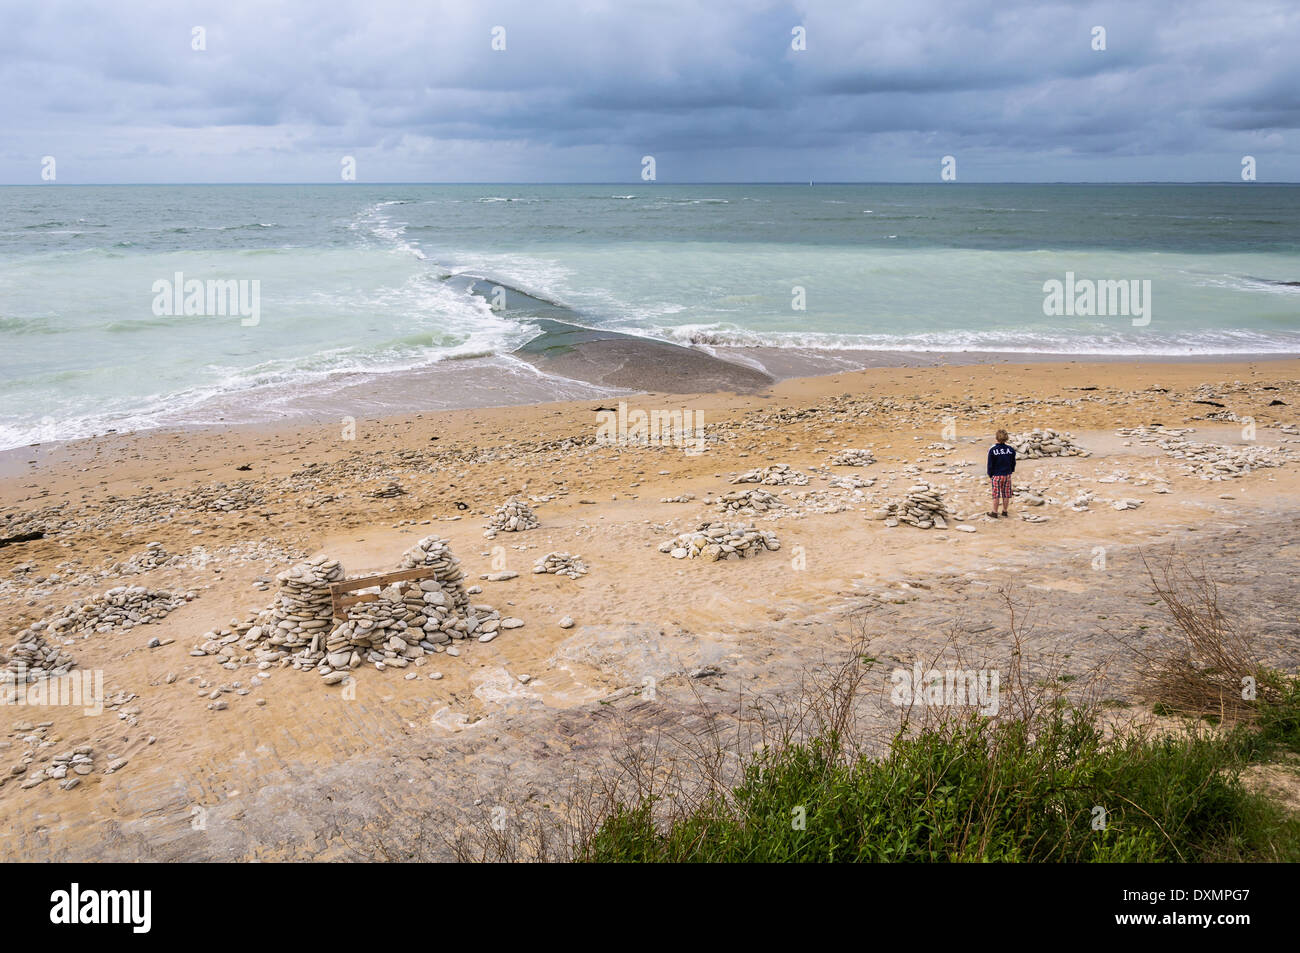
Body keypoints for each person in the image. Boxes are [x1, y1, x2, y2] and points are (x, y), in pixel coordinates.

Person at [987, 429, 1016, 518]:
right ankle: (1004, 511)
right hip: (1007, 474)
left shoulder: (993, 450)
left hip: (997, 475)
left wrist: (990, 474)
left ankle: (995, 512)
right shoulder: (1010, 449)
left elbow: (990, 464)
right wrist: (1011, 471)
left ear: (996, 438)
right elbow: (1013, 462)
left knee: (996, 494)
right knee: (1006, 494)